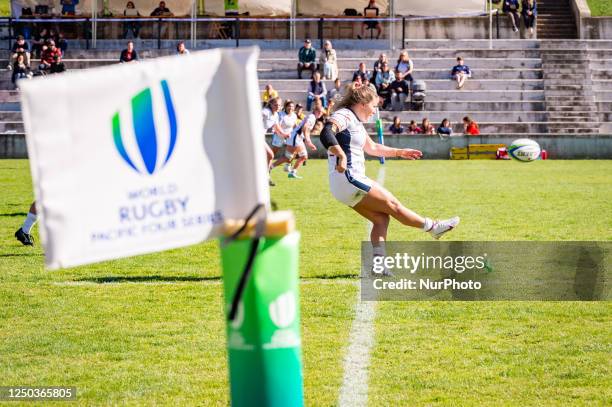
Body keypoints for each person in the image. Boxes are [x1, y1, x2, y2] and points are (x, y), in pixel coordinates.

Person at [318, 84, 459, 276]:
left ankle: (379, 267)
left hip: (343, 183)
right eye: (374, 106)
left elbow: (373, 148)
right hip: (348, 177)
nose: (375, 111)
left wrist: (400, 152)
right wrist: (340, 154)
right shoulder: (345, 115)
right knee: (393, 204)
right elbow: (326, 132)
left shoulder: (355, 122)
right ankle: (433, 227)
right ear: (362, 103)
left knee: (381, 219)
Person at [284, 99, 322, 179]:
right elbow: (305, 127)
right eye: (320, 112)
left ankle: (292, 172)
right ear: (317, 111)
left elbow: (305, 128)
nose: (321, 114)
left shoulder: (312, 117)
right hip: (296, 137)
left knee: (303, 156)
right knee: (292, 155)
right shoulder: (312, 117)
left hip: (298, 137)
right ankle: (274, 166)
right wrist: (308, 141)